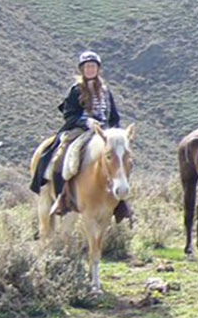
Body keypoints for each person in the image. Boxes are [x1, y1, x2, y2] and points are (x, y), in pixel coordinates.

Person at [31, 51, 129, 220]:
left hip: (104, 133)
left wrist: (117, 134)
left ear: (98, 69)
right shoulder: (76, 90)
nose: (90, 69)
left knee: (121, 159)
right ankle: (63, 196)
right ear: (82, 70)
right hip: (81, 130)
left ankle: (121, 203)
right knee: (66, 154)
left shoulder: (106, 91)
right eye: (87, 67)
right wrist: (87, 122)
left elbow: (114, 117)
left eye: (93, 66)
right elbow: (69, 114)